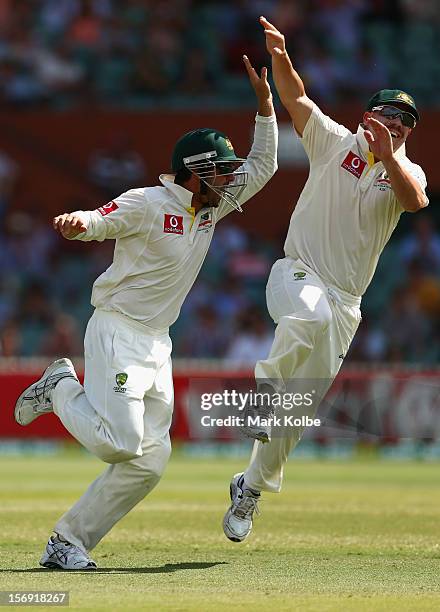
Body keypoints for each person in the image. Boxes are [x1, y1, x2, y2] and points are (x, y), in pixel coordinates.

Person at [14, 55, 278, 570]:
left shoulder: (211, 205)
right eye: (221, 170)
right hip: (117, 328)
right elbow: (102, 218)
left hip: (158, 342)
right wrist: (79, 223)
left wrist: (265, 107)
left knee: (150, 462)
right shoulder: (150, 201)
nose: (230, 179)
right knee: (122, 444)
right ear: (197, 171)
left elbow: (264, 166)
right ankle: (60, 386)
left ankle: (67, 541)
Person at [223, 16, 428, 544]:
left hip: (348, 304)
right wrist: (281, 55)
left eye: (406, 125)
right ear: (367, 117)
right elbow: (296, 98)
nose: (397, 129)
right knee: (306, 314)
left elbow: (416, 202)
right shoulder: (334, 141)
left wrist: (391, 157)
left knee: (298, 413)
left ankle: (249, 487)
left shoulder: (407, 171)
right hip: (296, 273)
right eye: (390, 119)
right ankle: (262, 392)